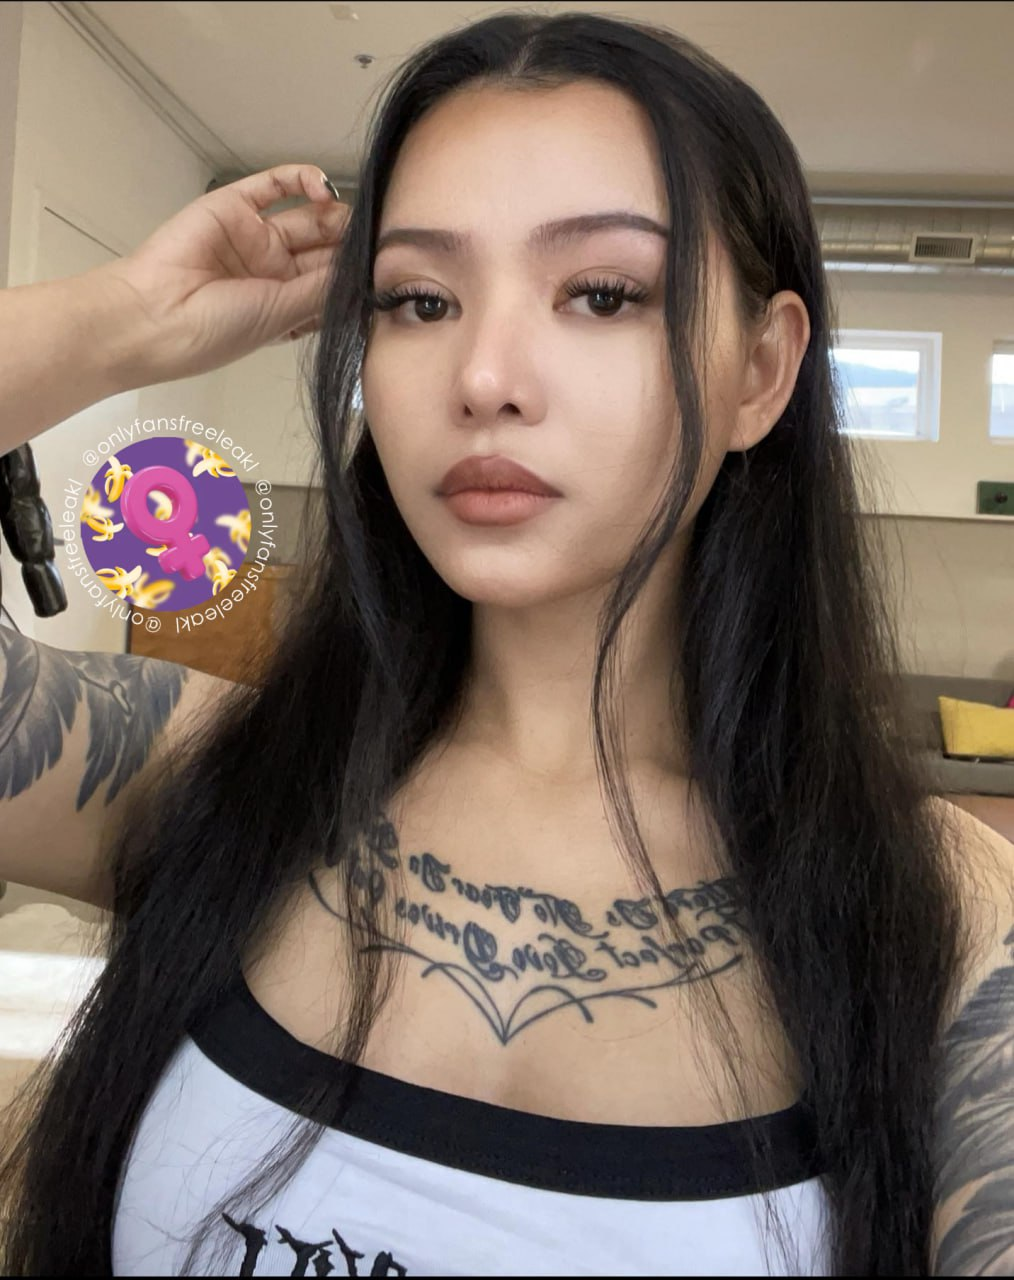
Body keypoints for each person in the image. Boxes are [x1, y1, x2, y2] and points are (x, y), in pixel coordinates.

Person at [0, 10, 1010, 1277]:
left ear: (762, 370)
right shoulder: (205, 771)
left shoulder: (940, 911)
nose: (483, 374)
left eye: (602, 294)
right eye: (420, 300)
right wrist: (129, 318)